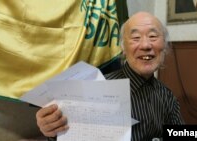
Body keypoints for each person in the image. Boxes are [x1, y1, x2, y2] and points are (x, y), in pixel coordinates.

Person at [35, 12, 184, 141]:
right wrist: (51, 129)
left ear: (164, 45)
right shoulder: (96, 88)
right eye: (136, 37)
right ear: (123, 48)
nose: (145, 45)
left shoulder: (167, 96)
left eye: (153, 36)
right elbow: (68, 133)